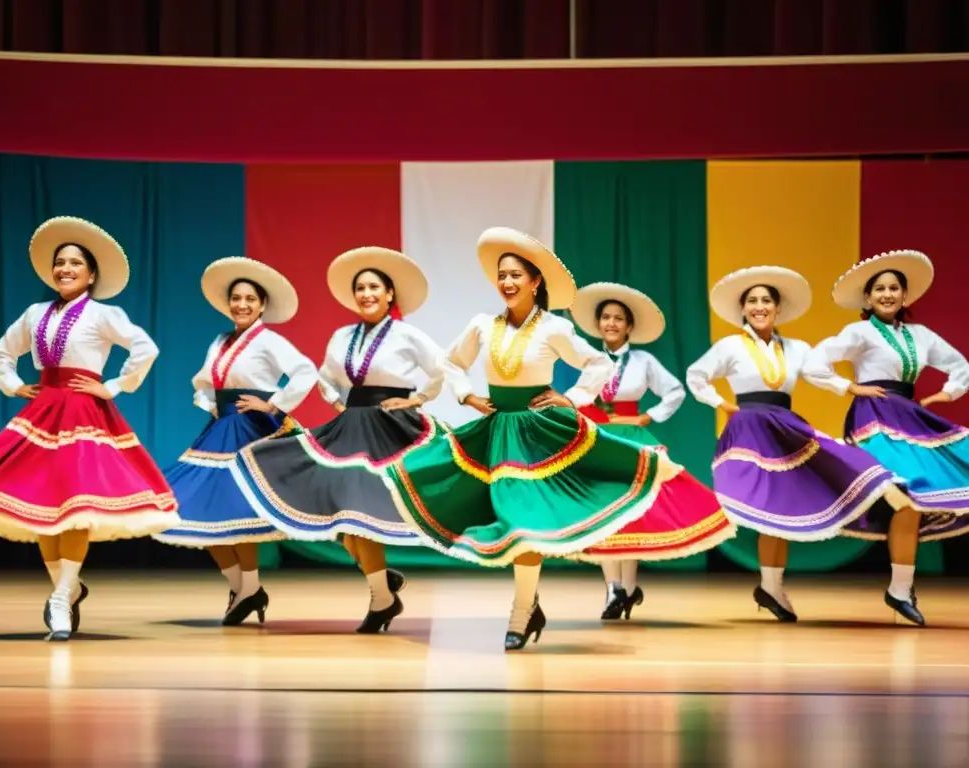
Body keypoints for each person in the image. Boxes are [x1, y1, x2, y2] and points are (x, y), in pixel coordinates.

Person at [382, 227, 684, 651]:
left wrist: (572, 398)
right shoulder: (482, 325)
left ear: (535, 281)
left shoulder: (553, 329)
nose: (506, 282)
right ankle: (530, 605)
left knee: (525, 524)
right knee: (479, 508)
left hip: (538, 435)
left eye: (516, 275)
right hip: (495, 429)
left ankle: (521, 612)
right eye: (502, 275)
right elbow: (450, 362)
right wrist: (467, 395)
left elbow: (597, 363)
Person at [0, 216, 178, 641]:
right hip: (43, 413)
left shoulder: (105, 314)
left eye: (75, 263)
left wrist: (112, 386)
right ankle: (66, 589)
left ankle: (60, 597)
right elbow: (1, 353)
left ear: (91, 275)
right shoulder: (35, 314)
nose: (65, 269)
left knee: (76, 508)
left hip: (85, 417)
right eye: (60, 263)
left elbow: (146, 347)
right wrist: (14, 385)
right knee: (46, 508)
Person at [231, 247, 445, 633]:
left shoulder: (408, 334)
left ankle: (381, 597)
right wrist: (335, 399)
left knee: (360, 513)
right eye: (360, 288)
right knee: (343, 517)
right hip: (352, 425)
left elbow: (441, 370)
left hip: (390, 427)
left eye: (374, 287)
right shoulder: (343, 336)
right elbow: (326, 376)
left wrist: (416, 400)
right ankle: (381, 583)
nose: (366, 294)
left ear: (389, 294)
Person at [685, 266, 910, 622]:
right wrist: (723, 405)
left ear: (777, 309)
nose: (760, 306)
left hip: (785, 428)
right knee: (768, 508)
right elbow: (695, 375)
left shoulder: (797, 348)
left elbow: (820, 373)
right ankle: (771, 587)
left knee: (784, 507)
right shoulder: (729, 346)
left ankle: (770, 587)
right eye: (753, 301)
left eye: (766, 301)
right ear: (743, 309)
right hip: (749, 430)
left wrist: (852, 388)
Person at [803, 249, 969, 625]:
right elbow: (814, 363)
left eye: (895, 288)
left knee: (916, 500)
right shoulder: (859, 332)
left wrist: (948, 392)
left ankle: (900, 589)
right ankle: (899, 589)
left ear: (905, 296)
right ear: (867, 298)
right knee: (903, 495)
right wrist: (849, 387)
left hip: (910, 417)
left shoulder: (921, 335)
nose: (888, 294)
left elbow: (960, 365)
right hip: (874, 418)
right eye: (879, 289)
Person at [153, 257, 319, 624]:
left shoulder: (270, 340)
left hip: (252, 429)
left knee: (239, 510)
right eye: (236, 298)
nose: (242, 304)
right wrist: (213, 405)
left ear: (261, 305)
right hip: (222, 427)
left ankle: (250, 588)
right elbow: (205, 381)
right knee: (197, 507)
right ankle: (245, 589)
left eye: (249, 299)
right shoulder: (220, 340)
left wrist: (273, 403)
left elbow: (306, 371)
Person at [568, 282, 734, 620]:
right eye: (606, 318)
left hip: (631, 437)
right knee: (605, 512)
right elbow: (579, 394)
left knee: (632, 511)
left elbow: (674, 391)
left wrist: (648, 415)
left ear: (629, 326)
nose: (611, 324)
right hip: (599, 437)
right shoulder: (591, 358)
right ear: (598, 324)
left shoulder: (643, 360)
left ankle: (628, 589)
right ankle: (613, 588)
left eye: (618, 318)